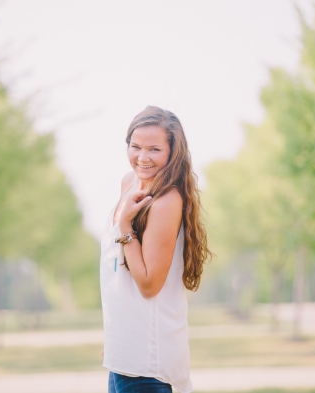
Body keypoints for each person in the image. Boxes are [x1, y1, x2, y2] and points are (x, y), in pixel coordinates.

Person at [100, 105, 212, 393]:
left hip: (149, 364)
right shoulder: (129, 183)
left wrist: (125, 226)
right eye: (135, 146)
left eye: (154, 149)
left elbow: (149, 284)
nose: (142, 157)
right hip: (123, 354)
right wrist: (114, 339)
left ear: (172, 152)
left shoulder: (166, 201)